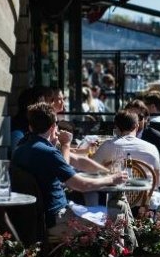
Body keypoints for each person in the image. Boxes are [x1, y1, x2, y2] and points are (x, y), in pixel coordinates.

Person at [11, 102, 130, 238]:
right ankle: (124, 255)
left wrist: (107, 172)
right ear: (53, 127)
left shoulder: (21, 148)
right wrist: (112, 179)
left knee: (106, 209)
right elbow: (81, 185)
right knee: (118, 214)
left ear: (30, 126)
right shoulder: (48, 152)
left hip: (34, 219)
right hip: (56, 220)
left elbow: (79, 161)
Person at [92, 110, 160, 185]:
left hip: (114, 192)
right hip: (147, 194)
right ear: (137, 126)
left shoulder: (107, 145)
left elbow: (92, 170)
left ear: (116, 127)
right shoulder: (152, 148)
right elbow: (157, 182)